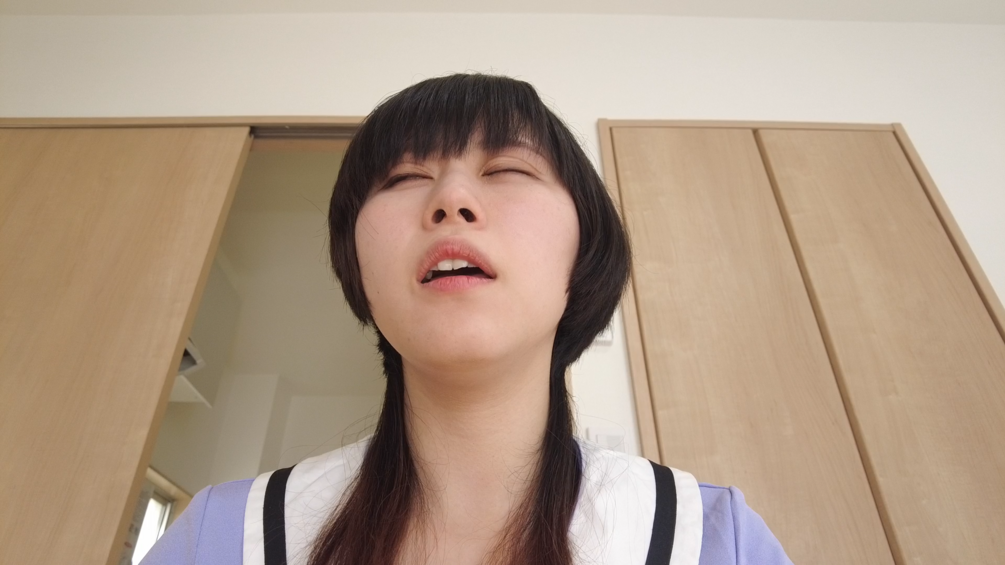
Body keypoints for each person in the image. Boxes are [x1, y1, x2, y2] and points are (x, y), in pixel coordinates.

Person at [141, 73, 792, 565]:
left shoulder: (713, 538)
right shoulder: (221, 536)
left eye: (506, 168)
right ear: (356, 263)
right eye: (403, 177)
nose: (451, 198)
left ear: (583, 247)